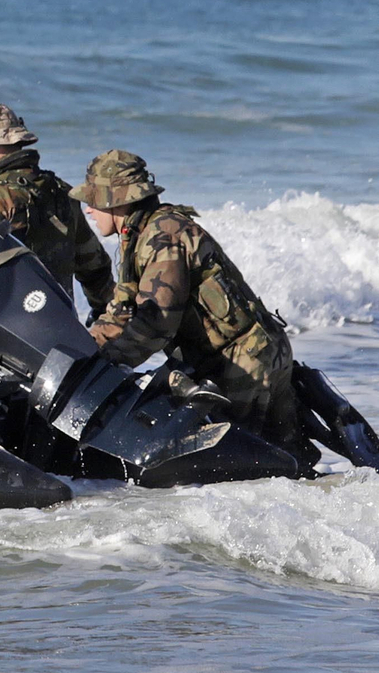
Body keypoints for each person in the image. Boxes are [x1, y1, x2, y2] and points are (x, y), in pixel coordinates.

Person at [70, 149, 305, 456]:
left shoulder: (163, 237)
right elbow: (122, 312)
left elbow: (156, 324)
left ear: (117, 200)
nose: (88, 210)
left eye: (93, 200)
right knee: (287, 463)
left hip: (244, 363)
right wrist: (82, 351)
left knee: (250, 467)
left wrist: (106, 364)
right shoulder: (139, 236)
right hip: (252, 353)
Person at [0, 103, 114, 317]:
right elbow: (94, 265)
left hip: (5, 332)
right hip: (58, 326)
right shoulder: (59, 192)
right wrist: (106, 314)